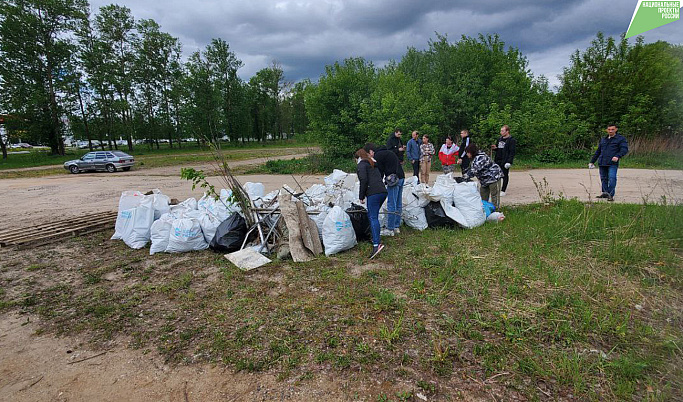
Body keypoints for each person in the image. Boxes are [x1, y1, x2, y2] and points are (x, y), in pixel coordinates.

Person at [364, 142, 404, 236]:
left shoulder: (378, 156)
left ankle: (390, 229)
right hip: (401, 177)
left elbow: (380, 172)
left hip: (393, 179)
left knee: (391, 203)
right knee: (398, 202)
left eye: (368, 154)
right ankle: (396, 226)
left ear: (371, 151)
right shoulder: (389, 152)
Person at [356, 148, 387, 259]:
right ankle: (375, 237)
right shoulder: (372, 163)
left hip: (373, 193)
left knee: (373, 217)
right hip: (383, 192)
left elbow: (363, 180)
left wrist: (361, 196)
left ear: (358, 158)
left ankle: (376, 244)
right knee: (373, 216)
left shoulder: (361, 165)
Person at [589, 124, 628, 202]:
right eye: (609, 129)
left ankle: (610, 194)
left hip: (612, 163)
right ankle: (605, 193)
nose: (610, 131)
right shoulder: (604, 139)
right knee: (604, 179)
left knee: (612, 178)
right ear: (607, 130)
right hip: (602, 162)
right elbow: (598, 151)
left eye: (612, 129)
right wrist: (592, 161)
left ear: (616, 129)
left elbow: (624, 149)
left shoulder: (620, 139)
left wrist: (618, 156)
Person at [463, 143, 504, 209]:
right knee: (483, 196)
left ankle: (496, 211)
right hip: (484, 180)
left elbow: (474, 170)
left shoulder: (481, 157)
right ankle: (485, 210)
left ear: (471, 152)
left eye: (467, 153)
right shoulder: (474, 158)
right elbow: (471, 168)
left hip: (494, 177)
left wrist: (465, 177)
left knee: (494, 196)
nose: (467, 154)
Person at [492, 125, 516, 196]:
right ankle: (496, 189)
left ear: (507, 131)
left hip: (505, 160)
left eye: (502, 131)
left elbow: (512, 152)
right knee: (495, 175)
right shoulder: (499, 139)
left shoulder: (511, 140)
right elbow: (499, 148)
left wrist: (509, 161)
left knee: (505, 175)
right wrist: (495, 148)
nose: (501, 132)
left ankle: (503, 190)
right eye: (501, 131)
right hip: (497, 160)